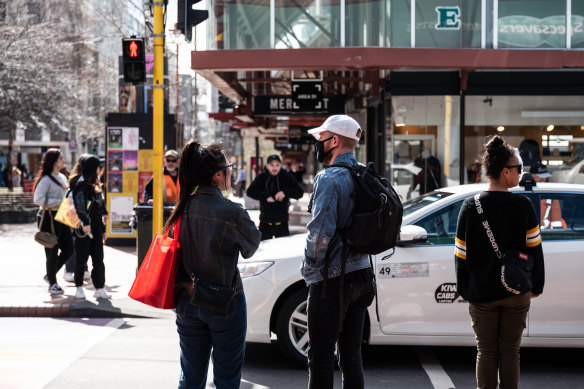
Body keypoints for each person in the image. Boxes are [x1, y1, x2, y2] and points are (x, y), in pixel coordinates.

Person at [164, 140, 261, 389]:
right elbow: (251, 247)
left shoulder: (182, 207)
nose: (230, 171)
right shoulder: (232, 211)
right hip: (225, 302)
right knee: (227, 380)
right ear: (218, 175)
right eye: (228, 168)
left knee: (190, 377)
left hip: (187, 300)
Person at [455, 135, 545, 389]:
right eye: (518, 169)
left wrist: (465, 288)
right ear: (505, 172)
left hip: (481, 292)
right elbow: (535, 249)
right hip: (516, 290)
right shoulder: (523, 205)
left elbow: (460, 254)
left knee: (485, 351)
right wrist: (536, 286)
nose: (520, 174)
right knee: (510, 352)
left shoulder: (470, 206)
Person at [301, 115, 376, 389]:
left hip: (332, 281)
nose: (318, 144)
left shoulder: (329, 178)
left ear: (334, 141)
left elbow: (319, 234)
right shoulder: (364, 175)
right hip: (362, 276)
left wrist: (310, 271)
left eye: (321, 139)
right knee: (351, 357)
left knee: (320, 358)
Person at [33, 149, 73, 295]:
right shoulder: (46, 179)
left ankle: (50, 275)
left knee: (69, 249)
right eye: (60, 158)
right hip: (48, 218)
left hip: (62, 217)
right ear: (54, 161)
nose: (63, 161)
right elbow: (37, 199)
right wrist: (58, 202)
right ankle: (53, 283)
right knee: (52, 249)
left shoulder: (62, 177)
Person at [69, 154, 109, 300]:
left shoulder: (96, 183)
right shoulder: (80, 183)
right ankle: (79, 287)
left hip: (96, 228)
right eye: (99, 166)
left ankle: (99, 288)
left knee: (98, 259)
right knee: (81, 259)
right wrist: (85, 222)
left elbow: (99, 207)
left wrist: (103, 229)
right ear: (94, 168)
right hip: (83, 229)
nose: (101, 169)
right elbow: (80, 205)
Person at [247, 154, 304, 240]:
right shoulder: (262, 177)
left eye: (277, 165)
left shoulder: (286, 176)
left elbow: (300, 192)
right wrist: (265, 196)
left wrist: (285, 192)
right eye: (272, 165)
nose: (275, 168)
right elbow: (250, 191)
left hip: (282, 224)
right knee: (264, 251)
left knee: (283, 252)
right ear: (267, 166)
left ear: (281, 165)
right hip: (265, 223)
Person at [529, 162, 564, 229]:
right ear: (531, 175)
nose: (543, 179)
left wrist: (557, 233)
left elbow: (556, 219)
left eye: (545, 177)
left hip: (545, 233)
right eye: (540, 177)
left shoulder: (551, 193)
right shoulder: (522, 191)